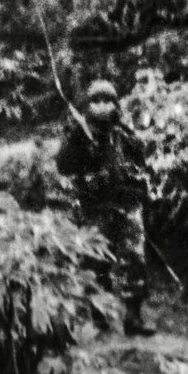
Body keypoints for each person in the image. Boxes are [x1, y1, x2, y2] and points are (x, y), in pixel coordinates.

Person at [55, 77, 156, 337]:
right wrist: (77, 139)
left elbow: (141, 164)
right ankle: (100, 315)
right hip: (96, 207)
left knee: (135, 259)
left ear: (115, 104)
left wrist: (136, 187)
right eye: (96, 101)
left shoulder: (124, 134)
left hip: (126, 205)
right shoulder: (79, 134)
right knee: (96, 261)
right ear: (88, 105)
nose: (102, 106)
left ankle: (133, 317)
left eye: (108, 101)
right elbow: (64, 166)